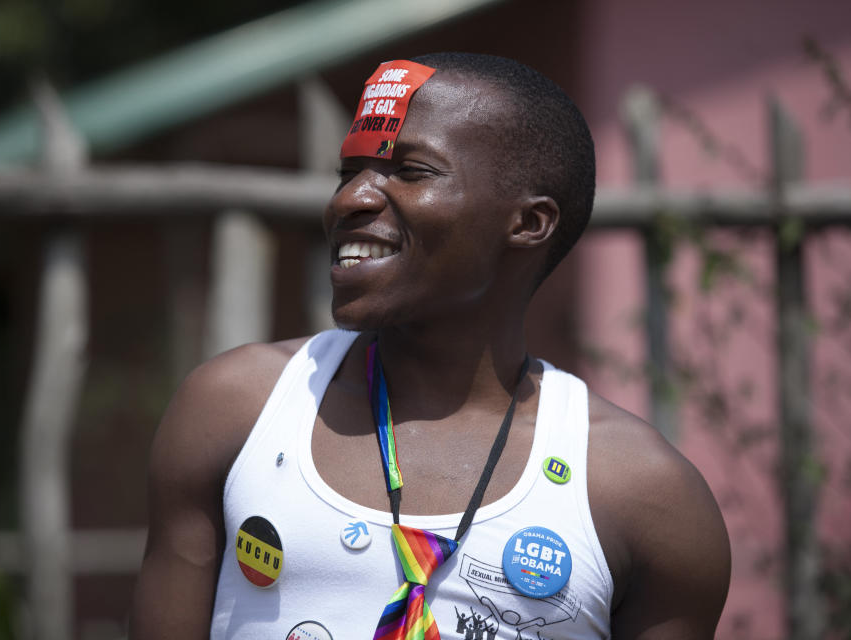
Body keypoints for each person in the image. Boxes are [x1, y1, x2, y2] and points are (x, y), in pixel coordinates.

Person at [130, 53, 730, 639]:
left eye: (411, 172)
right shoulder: (239, 410)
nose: (349, 200)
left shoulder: (640, 496)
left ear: (528, 224)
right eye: (348, 174)